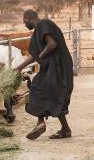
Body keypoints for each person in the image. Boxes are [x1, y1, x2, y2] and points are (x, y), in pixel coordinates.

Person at [14, 9, 74, 140]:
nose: (24, 24)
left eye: (24, 21)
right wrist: (19, 68)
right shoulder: (38, 31)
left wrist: (41, 55)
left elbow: (52, 44)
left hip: (58, 67)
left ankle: (42, 123)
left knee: (42, 89)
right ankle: (62, 129)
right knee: (49, 93)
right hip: (53, 67)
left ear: (29, 18)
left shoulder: (43, 24)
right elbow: (33, 56)